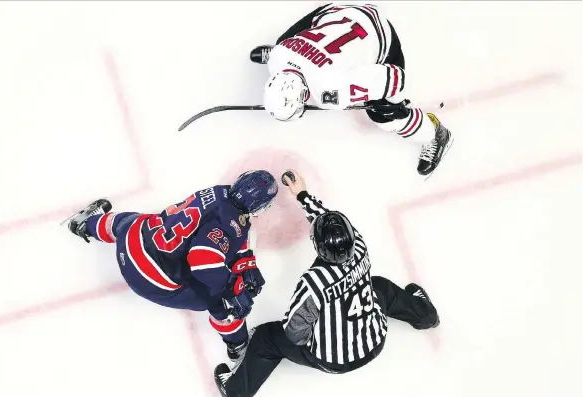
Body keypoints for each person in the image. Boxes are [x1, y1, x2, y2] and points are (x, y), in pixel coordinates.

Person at [213, 169, 440, 397]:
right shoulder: (359, 245)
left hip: (334, 360)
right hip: (376, 339)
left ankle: (235, 391)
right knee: (379, 286)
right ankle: (426, 315)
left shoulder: (313, 282)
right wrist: (303, 195)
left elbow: (295, 333)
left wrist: (320, 331)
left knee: (265, 338)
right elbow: (330, 220)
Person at [65, 170, 278, 360]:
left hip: (131, 241)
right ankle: (237, 343)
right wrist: (233, 287)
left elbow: (230, 232)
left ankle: (87, 224)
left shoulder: (219, 192)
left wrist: (246, 263)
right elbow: (203, 261)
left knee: (132, 222)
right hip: (148, 277)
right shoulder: (230, 224)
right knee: (220, 301)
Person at [249, 3, 453, 177]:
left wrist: (391, 103)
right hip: (341, 13)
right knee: (282, 42)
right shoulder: (279, 55)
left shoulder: (333, 90)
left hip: (379, 33)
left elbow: (396, 78)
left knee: (386, 117)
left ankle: (435, 134)